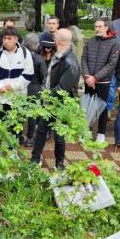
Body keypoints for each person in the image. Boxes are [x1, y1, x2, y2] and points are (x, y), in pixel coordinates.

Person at [31, 29, 80, 169]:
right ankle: (35, 159)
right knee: (41, 131)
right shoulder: (59, 54)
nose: (53, 38)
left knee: (59, 136)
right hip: (49, 101)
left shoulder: (70, 63)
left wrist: (44, 95)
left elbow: (62, 90)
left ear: (58, 41)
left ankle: (59, 164)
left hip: (60, 105)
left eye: (54, 37)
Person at [0, 26, 34, 143]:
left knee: (15, 127)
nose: (6, 41)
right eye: (5, 38)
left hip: (17, 99)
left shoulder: (25, 53)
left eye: (9, 38)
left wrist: (12, 87)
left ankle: (12, 151)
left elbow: (28, 75)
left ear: (16, 39)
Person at [81, 17, 120, 142]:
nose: (97, 29)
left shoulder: (114, 43)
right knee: (88, 106)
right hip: (89, 81)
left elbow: (111, 64)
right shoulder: (90, 41)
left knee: (102, 107)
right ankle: (86, 131)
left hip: (103, 81)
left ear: (106, 27)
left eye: (100, 26)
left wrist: (96, 77)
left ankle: (101, 133)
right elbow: (84, 59)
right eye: (95, 26)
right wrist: (87, 76)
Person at [22, 33, 46, 147]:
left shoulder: (19, 56)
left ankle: (17, 135)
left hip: (21, 86)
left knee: (19, 112)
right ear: (36, 45)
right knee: (32, 115)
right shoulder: (39, 59)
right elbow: (44, 75)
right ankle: (30, 138)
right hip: (35, 88)